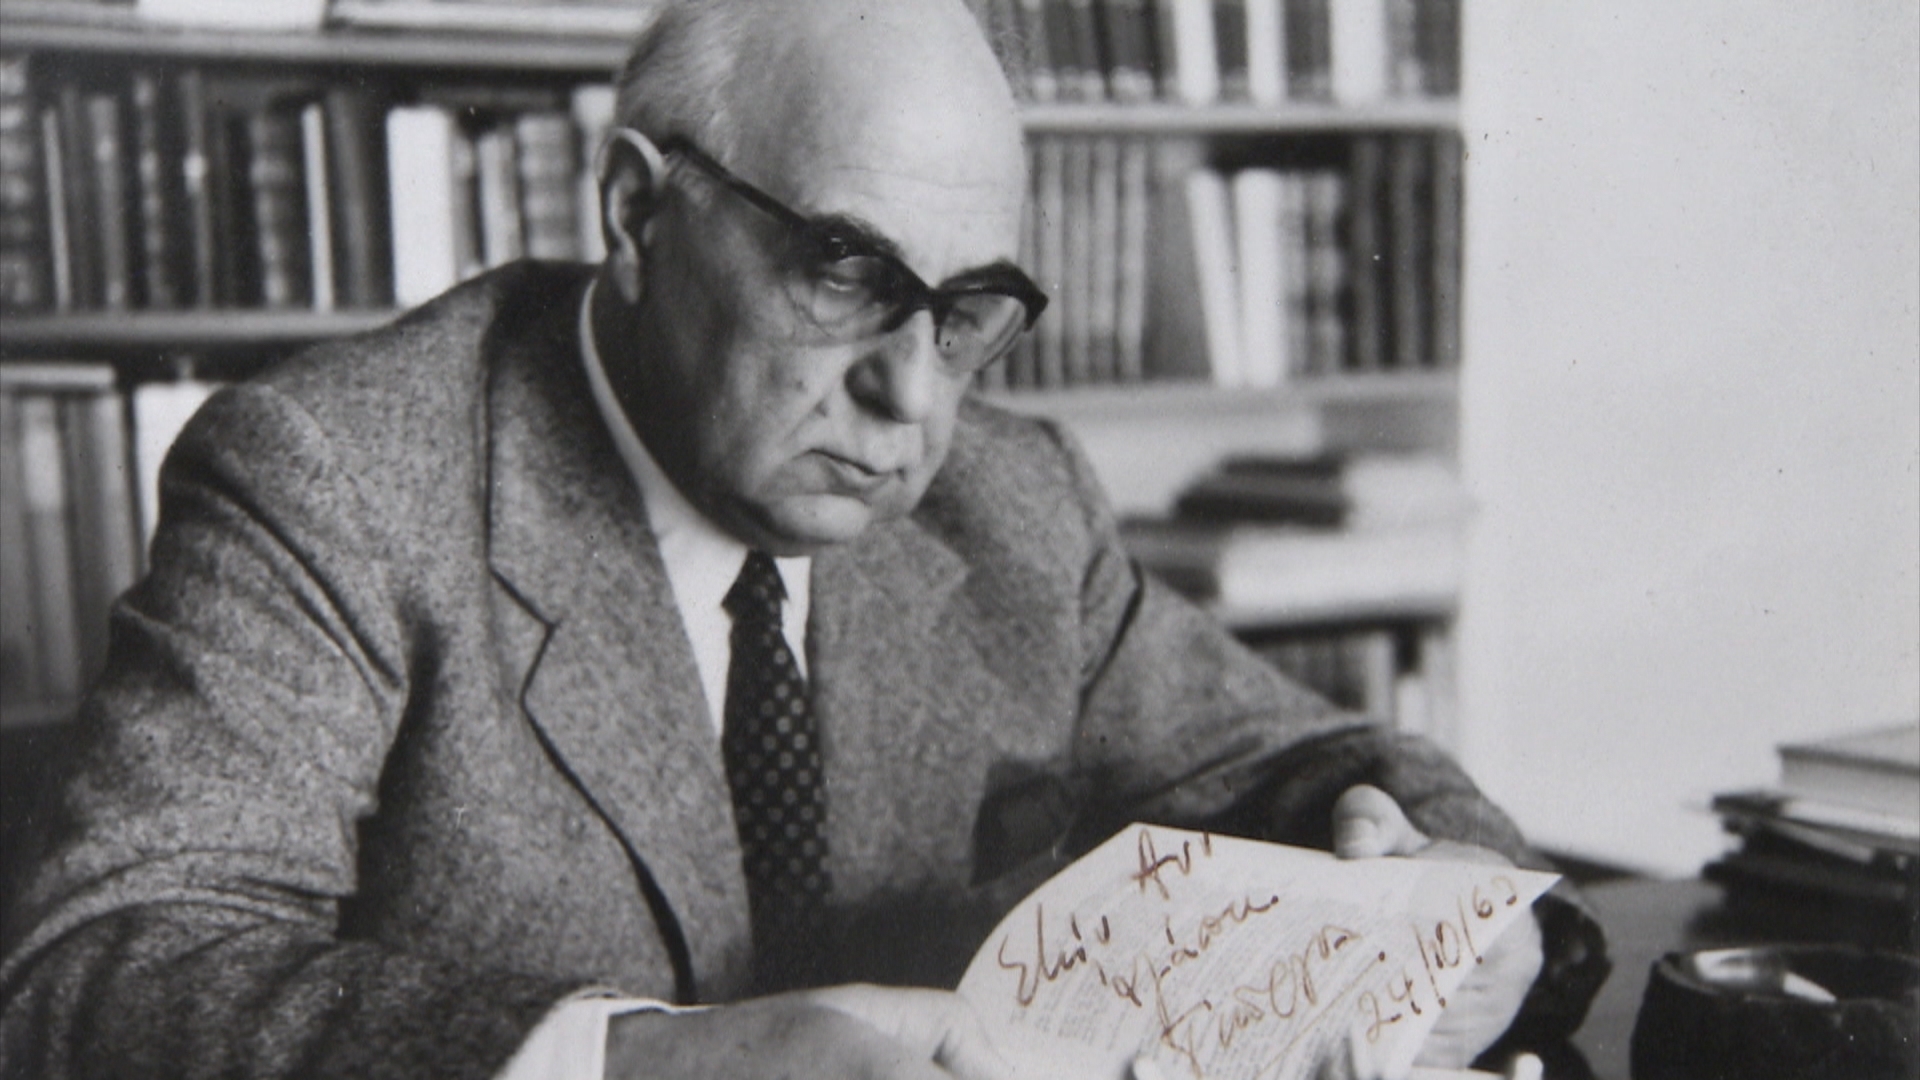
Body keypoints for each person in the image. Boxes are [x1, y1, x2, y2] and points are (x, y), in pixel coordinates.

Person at [0, 1, 1606, 1077]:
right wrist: (648, 1063)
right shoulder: (340, 476)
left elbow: (1325, 763)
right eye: (845, 273)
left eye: (968, 310)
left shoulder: (1013, 499)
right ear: (638, 215)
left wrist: (1459, 913)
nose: (913, 394)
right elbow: (101, 973)